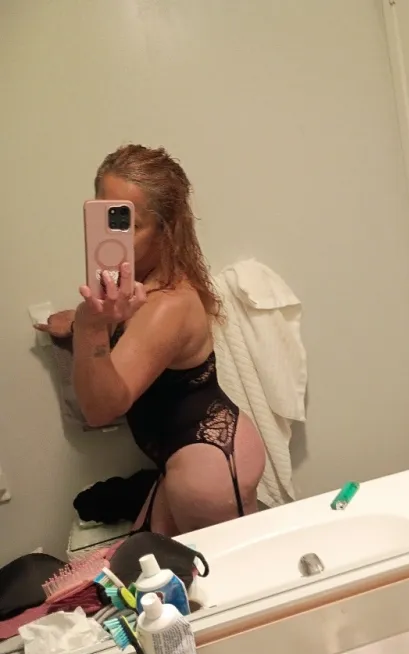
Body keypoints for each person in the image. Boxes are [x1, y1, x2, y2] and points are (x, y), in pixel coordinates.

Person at [36, 144, 266, 535]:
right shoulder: (142, 285)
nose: (112, 236)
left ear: (165, 230)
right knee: (149, 557)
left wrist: (88, 326)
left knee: (217, 576)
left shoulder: (166, 306)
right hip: (190, 452)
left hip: (208, 466)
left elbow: (100, 409)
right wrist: (78, 323)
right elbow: (130, 336)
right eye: (105, 216)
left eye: (128, 224)